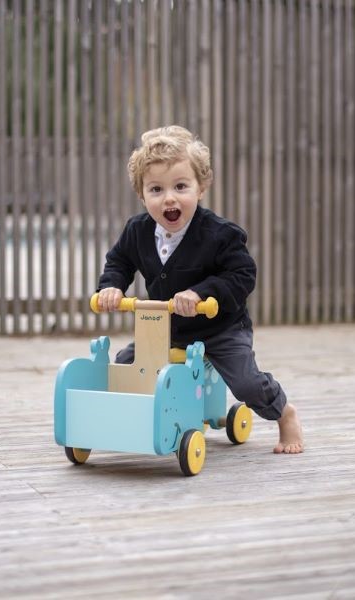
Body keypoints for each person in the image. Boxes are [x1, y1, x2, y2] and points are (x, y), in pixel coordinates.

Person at [95, 125, 303, 454]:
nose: (169, 198)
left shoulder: (219, 234)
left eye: (180, 186)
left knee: (245, 382)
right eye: (156, 189)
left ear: (201, 187)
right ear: (141, 194)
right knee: (125, 366)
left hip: (220, 328)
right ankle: (139, 422)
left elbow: (242, 274)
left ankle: (284, 412)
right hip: (168, 327)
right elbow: (118, 262)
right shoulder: (137, 231)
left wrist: (202, 293)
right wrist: (111, 288)